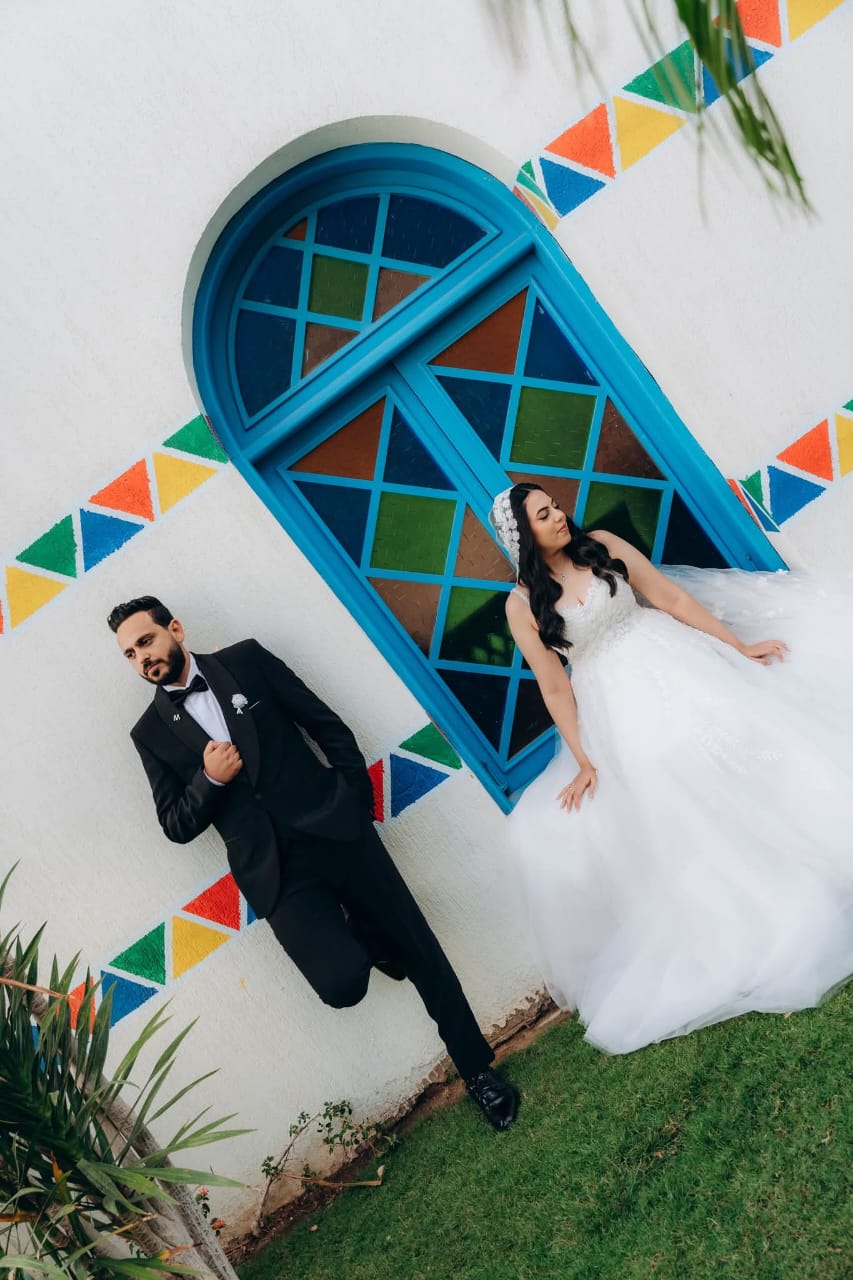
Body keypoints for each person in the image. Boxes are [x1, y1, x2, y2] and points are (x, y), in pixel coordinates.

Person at [107, 597, 518, 1130]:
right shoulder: (149, 733)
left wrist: (356, 806)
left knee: (421, 951)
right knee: (340, 984)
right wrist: (209, 780)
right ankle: (371, 941)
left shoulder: (246, 660)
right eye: (130, 653)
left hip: (337, 831)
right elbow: (175, 824)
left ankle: (478, 1073)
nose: (142, 657)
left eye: (146, 641)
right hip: (276, 875)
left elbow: (325, 725)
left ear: (175, 630)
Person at [491, 482, 853, 1055]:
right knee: (672, 780)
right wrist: (583, 758)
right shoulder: (521, 605)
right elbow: (554, 686)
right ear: (522, 535)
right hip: (616, 705)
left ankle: (814, 842)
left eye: (555, 505)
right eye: (543, 514)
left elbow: (670, 597)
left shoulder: (601, 544)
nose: (559, 515)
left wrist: (737, 647)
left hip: (670, 657)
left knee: (743, 738)